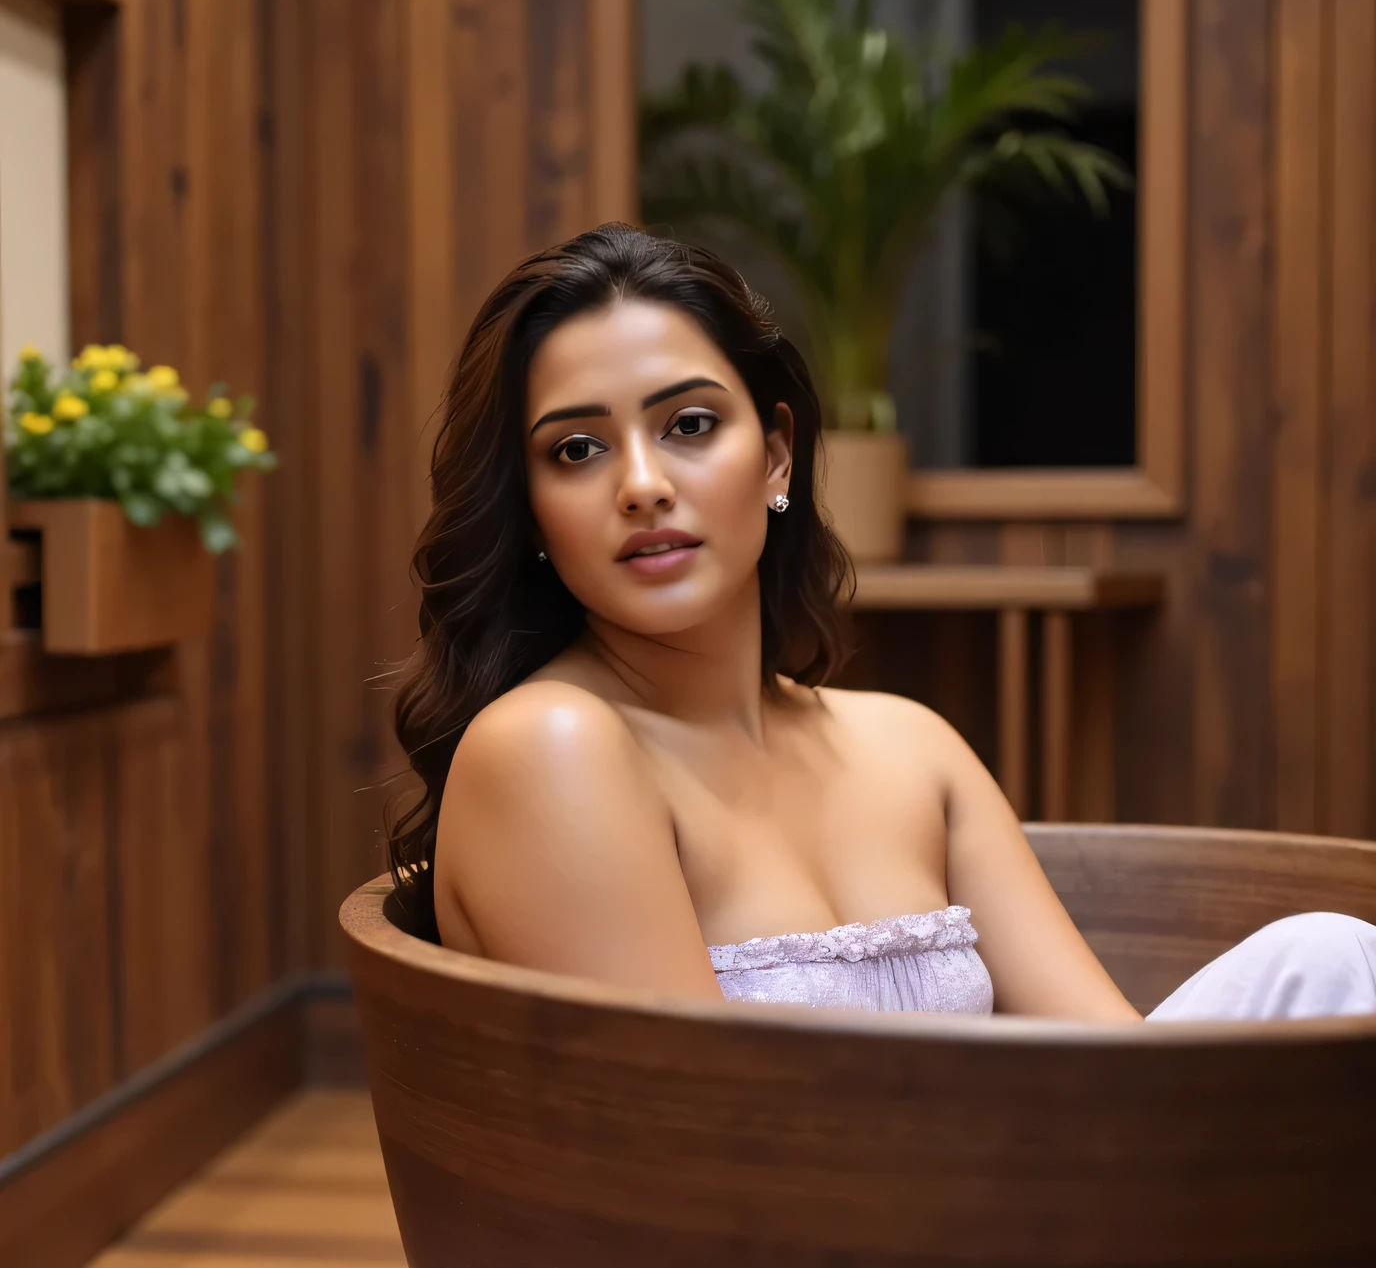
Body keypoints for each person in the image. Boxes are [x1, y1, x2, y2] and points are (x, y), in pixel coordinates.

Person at [388, 224, 1376, 1025]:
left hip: (1035, 1216)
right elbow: (702, 1148)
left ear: (776, 456)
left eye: (688, 425)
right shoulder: (549, 748)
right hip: (764, 1259)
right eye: (576, 449)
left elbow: (1111, 1065)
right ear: (527, 509)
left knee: (1329, 955)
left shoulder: (909, 747)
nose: (642, 486)